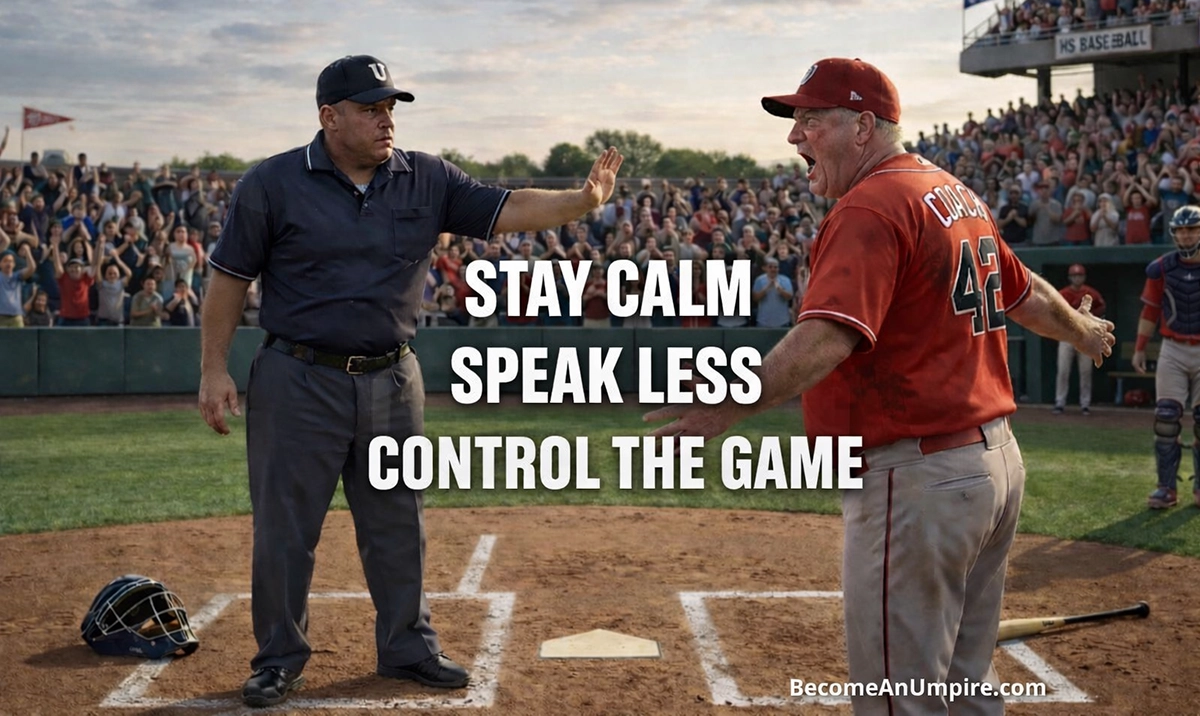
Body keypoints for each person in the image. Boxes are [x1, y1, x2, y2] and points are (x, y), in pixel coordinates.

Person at [645, 57, 1114, 716]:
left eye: (811, 120)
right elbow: (1027, 291)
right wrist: (1081, 332)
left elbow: (829, 335)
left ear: (863, 125)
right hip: (990, 469)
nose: (794, 136)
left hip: (919, 479)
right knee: (964, 691)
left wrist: (722, 405)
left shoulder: (871, 204)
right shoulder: (949, 190)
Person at [197, 54, 623, 709]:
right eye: (370, 108)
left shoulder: (425, 177)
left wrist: (582, 200)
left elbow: (507, 207)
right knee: (286, 528)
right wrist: (213, 368)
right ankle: (280, 658)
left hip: (394, 378)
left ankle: (407, 646)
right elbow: (228, 277)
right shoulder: (273, 182)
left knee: (399, 522)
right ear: (329, 117)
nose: (385, 119)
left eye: (390, 107)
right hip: (298, 377)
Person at [1132, 205, 1200, 510]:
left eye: (1192, 229)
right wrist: (1140, 347)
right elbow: (1150, 310)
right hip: (1172, 347)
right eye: (1181, 230)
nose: (1186, 235)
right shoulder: (1161, 268)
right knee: (1166, 419)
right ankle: (1166, 488)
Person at [1053, 264, 1107, 415]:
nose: (1077, 278)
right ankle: (1059, 402)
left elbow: (1101, 308)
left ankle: (1085, 404)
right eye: (1074, 275)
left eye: (1080, 275)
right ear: (1070, 277)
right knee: (1063, 370)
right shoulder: (1063, 293)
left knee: (1085, 371)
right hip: (1067, 336)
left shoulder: (1091, 293)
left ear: (1083, 277)